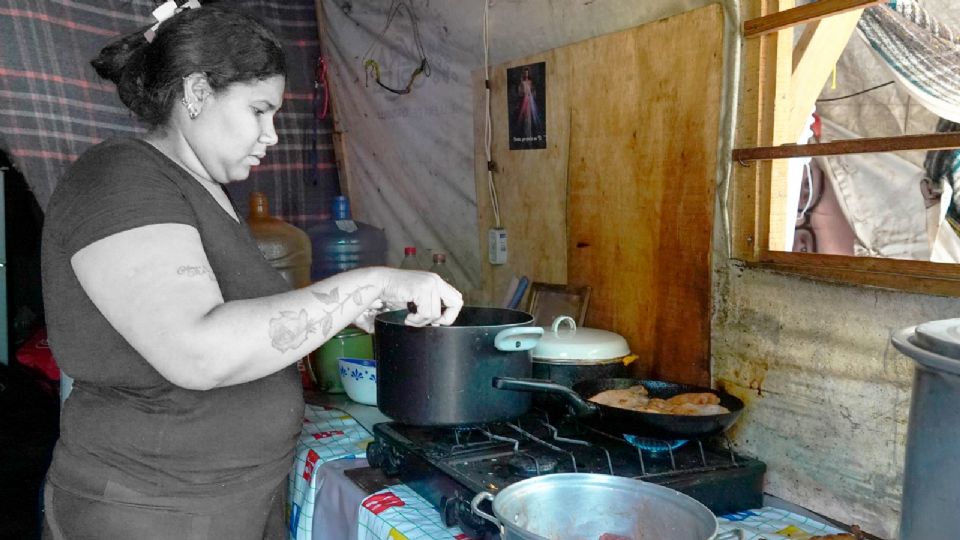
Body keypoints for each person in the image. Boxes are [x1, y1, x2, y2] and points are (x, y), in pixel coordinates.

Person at [39, 4, 462, 539]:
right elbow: (198, 349)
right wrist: (366, 284)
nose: (273, 135)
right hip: (151, 509)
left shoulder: (201, 190)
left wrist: (342, 313)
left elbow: (238, 322)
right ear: (195, 93)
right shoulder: (120, 177)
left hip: (232, 497)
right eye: (259, 110)